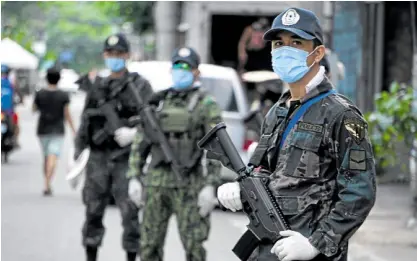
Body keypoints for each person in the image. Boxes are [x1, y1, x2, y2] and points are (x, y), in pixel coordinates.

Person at [217, 7, 377, 261]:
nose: (285, 50)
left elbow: (360, 192)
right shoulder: (277, 111)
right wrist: (242, 189)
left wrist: (317, 244)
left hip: (310, 253)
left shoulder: (342, 116)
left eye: (296, 43)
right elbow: (267, 171)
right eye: (279, 43)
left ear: (318, 53)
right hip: (269, 247)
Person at [126, 47, 223, 261]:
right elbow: (141, 142)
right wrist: (134, 176)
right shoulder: (158, 101)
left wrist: (210, 185)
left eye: (186, 66)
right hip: (156, 183)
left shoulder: (206, 104)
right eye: (177, 66)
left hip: (190, 184)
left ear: (197, 72)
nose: (181, 71)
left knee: (194, 247)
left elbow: (217, 147)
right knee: (149, 245)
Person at [74, 33, 154, 261]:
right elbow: (85, 122)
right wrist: (77, 154)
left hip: (125, 159)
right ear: (104, 56)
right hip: (98, 159)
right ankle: (91, 255)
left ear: (127, 55)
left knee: (130, 214)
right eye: (110, 54)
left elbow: (152, 121)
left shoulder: (139, 86)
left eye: (119, 54)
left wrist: (134, 134)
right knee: (92, 211)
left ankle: (131, 256)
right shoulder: (97, 86)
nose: (114, 58)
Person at [33, 67, 76, 195]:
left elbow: (34, 109)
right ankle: (47, 183)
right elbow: (67, 114)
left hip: (42, 129)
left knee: (46, 157)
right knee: (53, 156)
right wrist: (73, 129)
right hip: (57, 130)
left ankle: (46, 183)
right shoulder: (63, 95)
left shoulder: (40, 93)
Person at [1, 64, 21, 146]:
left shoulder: (11, 84)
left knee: (15, 124)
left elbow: (17, 94)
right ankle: (15, 140)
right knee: (16, 126)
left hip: (9, 111)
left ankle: (14, 140)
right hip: (8, 111)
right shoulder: (11, 84)